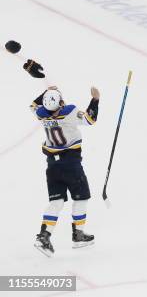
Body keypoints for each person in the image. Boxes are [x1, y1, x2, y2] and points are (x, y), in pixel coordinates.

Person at [32, 86, 100, 257]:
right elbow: (90, 120)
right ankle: (78, 235)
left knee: (56, 202)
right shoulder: (69, 111)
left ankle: (44, 236)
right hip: (70, 164)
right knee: (82, 197)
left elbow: (33, 105)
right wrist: (95, 100)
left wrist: (45, 93)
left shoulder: (41, 113)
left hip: (52, 166)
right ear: (61, 102)